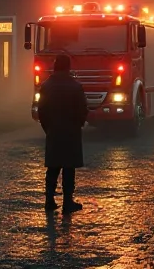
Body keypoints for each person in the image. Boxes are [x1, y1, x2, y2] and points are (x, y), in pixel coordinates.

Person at [36, 54, 89, 213]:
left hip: (53, 130)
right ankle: (67, 202)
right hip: (71, 132)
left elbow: (41, 111)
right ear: (68, 67)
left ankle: (49, 200)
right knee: (68, 167)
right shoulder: (75, 86)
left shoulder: (46, 86)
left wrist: (48, 128)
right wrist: (78, 125)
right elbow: (82, 110)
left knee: (52, 167)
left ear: (55, 66)